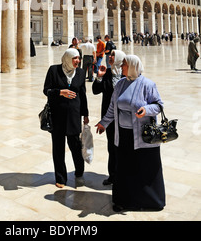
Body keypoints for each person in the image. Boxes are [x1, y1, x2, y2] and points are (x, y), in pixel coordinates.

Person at [96, 54, 165, 212]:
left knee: (143, 169)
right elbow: (113, 108)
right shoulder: (120, 84)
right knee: (125, 170)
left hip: (142, 137)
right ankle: (123, 201)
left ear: (133, 66)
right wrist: (104, 123)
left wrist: (146, 110)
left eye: (125, 64)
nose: (122, 67)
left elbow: (159, 105)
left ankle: (150, 201)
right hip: (124, 137)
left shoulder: (148, 84)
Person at [43, 48, 89, 188]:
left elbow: (82, 94)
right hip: (57, 115)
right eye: (75, 58)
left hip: (74, 114)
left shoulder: (80, 73)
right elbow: (46, 90)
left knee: (75, 144)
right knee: (58, 146)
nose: (78, 61)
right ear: (67, 58)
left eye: (78, 58)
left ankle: (79, 170)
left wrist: (85, 114)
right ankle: (60, 178)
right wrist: (60, 92)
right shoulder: (54, 70)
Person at [92, 49, 126, 185]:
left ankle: (123, 175)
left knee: (122, 147)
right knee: (111, 146)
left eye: (112, 55)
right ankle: (112, 175)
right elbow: (95, 91)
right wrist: (99, 76)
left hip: (124, 118)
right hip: (109, 118)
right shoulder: (106, 74)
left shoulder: (126, 76)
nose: (109, 56)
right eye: (110, 54)